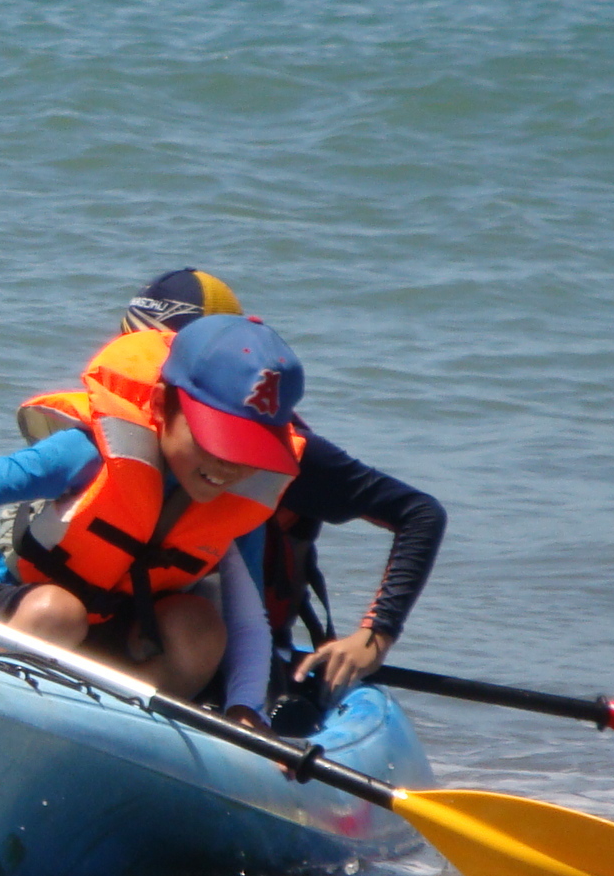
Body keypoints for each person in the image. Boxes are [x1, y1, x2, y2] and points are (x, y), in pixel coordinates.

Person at [58, 269, 447, 728]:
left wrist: (375, 635)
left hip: (231, 648)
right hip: (111, 624)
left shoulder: (282, 455)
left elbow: (418, 513)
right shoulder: (110, 425)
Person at [0, 315, 306, 717]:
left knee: (199, 627)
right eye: (216, 439)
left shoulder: (237, 503)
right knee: (58, 612)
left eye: (248, 451)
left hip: (111, 648)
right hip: (9, 623)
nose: (227, 465)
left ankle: (118, 724)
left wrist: (247, 710)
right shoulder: (89, 453)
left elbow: (249, 620)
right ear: (162, 404)